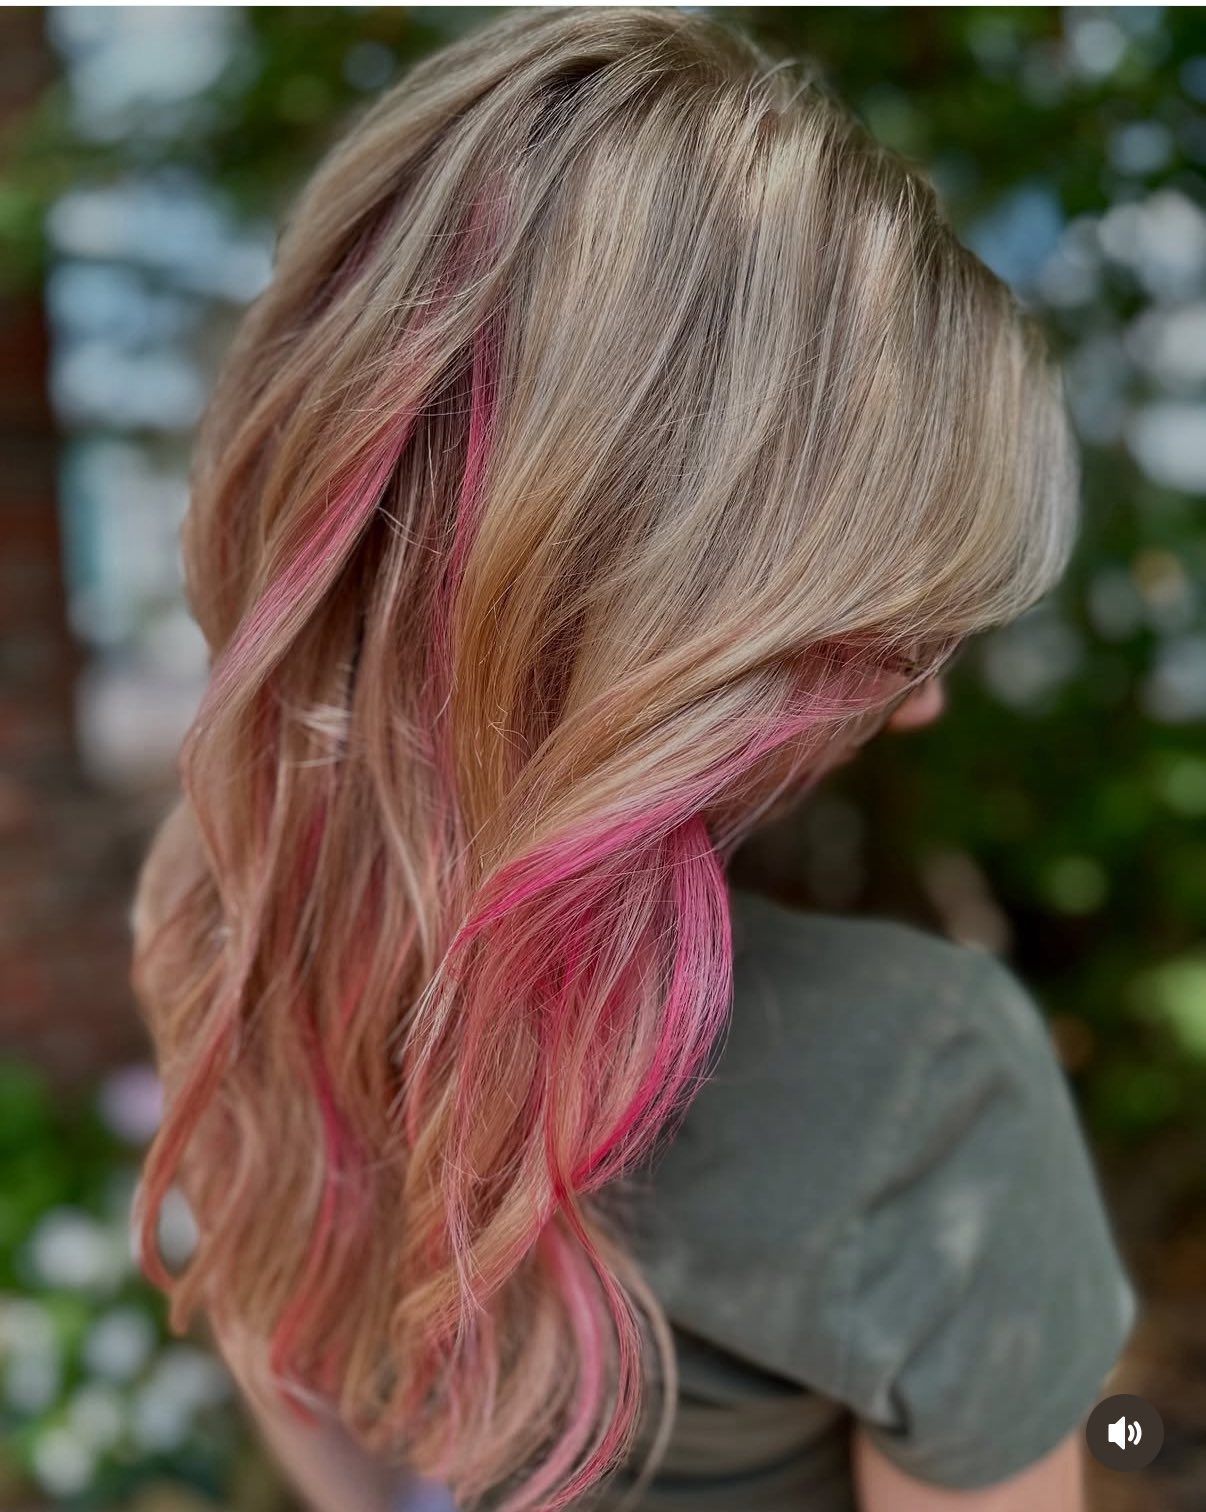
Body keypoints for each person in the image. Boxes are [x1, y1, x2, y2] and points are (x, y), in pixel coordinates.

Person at [130, 9, 1138, 1512]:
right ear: (674, 636)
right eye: (890, 640)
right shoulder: (922, 1086)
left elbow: (324, 1415)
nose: (920, 706)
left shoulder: (231, 930)